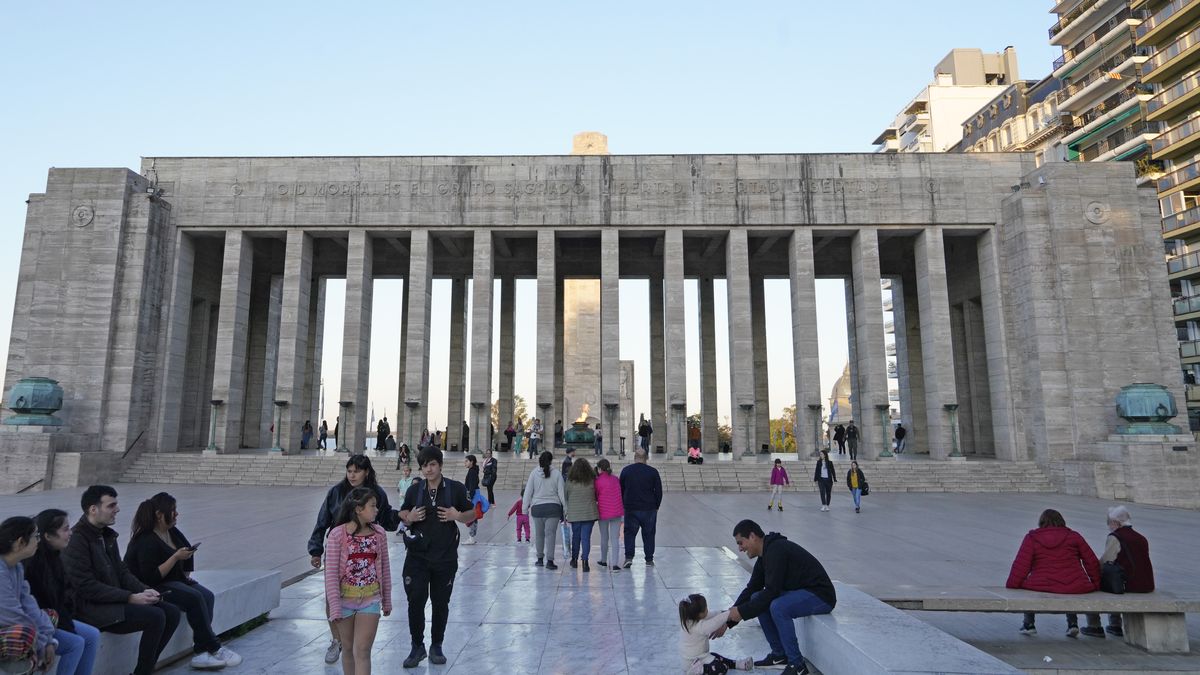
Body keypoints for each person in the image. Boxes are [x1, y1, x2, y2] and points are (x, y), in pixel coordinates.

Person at [63, 486, 181, 675]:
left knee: (172, 612)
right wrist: (130, 598)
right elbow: (85, 587)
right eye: (111, 505)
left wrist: (145, 590)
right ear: (93, 509)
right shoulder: (77, 540)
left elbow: (122, 571)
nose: (117, 509)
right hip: (89, 608)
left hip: (113, 601)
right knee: (156, 617)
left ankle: (145, 669)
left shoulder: (106, 535)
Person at [123, 492, 240, 670]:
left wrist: (186, 574)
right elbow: (150, 577)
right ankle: (214, 646)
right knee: (193, 597)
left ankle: (202, 652)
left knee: (206, 595)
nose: (176, 514)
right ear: (159, 515)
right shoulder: (145, 540)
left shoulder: (171, 531)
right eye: (173, 510)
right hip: (151, 586)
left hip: (173, 580)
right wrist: (176, 557)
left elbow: (185, 549)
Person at [308, 456, 401, 665]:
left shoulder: (377, 495)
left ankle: (345, 640)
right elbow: (322, 521)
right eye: (349, 471)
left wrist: (401, 517)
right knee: (332, 597)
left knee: (361, 650)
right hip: (339, 553)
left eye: (356, 471)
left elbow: (386, 519)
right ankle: (336, 639)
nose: (352, 475)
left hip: (367, 572)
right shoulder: (336, 492)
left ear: (366, 472)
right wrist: (315, 550)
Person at [720, 520, 836, 675]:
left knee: (778, 606)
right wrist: (728, 620)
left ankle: (797, 665)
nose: (740, 548)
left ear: (753, 536)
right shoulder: (765, 554)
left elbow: (772, 591)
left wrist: (740, 612)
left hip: (821, 595)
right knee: (756, 597)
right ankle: (779, 655)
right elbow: (752, 588)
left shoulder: (776, 550)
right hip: (803, 592)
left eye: (741, 543)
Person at [398, 447, 475, 668]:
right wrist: (410, 517)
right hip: (417, 558)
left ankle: (437, 645)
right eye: (424, 465)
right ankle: (416, 646)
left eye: (432, 464)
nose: (428, 469)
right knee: (415, 602)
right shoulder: (415, 490)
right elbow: (402, 514)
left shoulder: (455, 489)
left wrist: (457, 515)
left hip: (445, 558)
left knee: (441, 603)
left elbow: (473, 513)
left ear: (440, 464)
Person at [324, 487, 392, 675]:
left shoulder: (379, 533)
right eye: (372, 506)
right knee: (347, 649)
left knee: (362, 650)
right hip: (345, 601)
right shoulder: (337, 535)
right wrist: (335, 606)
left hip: (370, 600)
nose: (376, 510)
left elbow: (384, 569)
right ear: (358, 509)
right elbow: (330, 575)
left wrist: (386, 599)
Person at [26, 509, 101, 675]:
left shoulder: (54, 558)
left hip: (53, 619)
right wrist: (50, 637)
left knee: (92, 635)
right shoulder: (32, 564)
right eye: (65, 529)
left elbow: (60, 601)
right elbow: (37, 606)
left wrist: (67, 624)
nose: (70, 533)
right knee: (75, 643)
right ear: (48, 536)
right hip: (38, 623)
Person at [1005, 508, 1099, 638]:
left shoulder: (1032, 538)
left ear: (1041, 522)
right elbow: (1091, 561)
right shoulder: (1074, 536)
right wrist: (1096, 583)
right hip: (1075, 584)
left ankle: (1029, 624)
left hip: (1043, 583)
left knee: (1027, 587)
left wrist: (1013, 584)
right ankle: (1072, 624)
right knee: (1069, 587)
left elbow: (1022, 564)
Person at [1081, 505, 1154, 638]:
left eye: (1109, 522)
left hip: (1127, 584)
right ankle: (1114, 625)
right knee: (1113, 580)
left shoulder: (1116, 537)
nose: (1108, 526)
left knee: (1093, 586)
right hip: (1146, 584)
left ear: (1116, 522)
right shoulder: (1141, 538)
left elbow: (1107, 561)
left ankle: (1095, 625)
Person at [0, 516, 60, 674]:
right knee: (25, 635)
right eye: (36, 536)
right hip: (5, 623)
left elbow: (29, 605)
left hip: (7, 625)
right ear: (20, 542)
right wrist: (40, 645)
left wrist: (49, 642)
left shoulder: (16, 567)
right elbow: (10, 614)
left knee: (50, 616)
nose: (38, 541)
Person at [678, 593, 754, 674]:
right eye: (705, 608)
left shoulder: (691, 618)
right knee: (722, 668)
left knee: (716, 656)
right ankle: (696, 671)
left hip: (701, 657)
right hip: (692, 662)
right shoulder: (697, 627)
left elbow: (712, 614)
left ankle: (738, 664)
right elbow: (714, 623)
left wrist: (726, 611)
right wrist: (728, 614)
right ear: (698, 614)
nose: (707, 610)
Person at [522, 451, 567, 570]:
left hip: (537, 508)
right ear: (551, 460)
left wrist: (524, 509)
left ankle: (540, 559)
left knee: (539, 535)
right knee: (550, 535)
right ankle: (550, 561)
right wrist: (566, 510)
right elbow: (562, 493)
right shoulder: (557, 474)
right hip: (553, 508)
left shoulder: (534, 473)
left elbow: (528, 492)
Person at [619, 449, 663, 568]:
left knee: (629, 533)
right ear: (646, 458)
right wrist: (657, 505)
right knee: (649, 533)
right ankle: (649, 559)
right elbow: (658, 491)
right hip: (649, 508)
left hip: (631, 507)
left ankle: (629, 557)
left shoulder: (626, 471)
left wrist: (624, 503)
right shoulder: (653, 472)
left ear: (635, 457)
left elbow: (621, 489)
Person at [564, 458, 599, 572]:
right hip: (589, 514)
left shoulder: (569, 481)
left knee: (576, 537)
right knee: (586, 538)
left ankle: (574, 560)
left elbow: (566, 496)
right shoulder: (592, 480)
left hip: (574, 514)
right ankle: (585, 562)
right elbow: (596, 494)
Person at [594, 458, 623, 572]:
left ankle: (603, 560)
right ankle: (615, 564)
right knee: (615, 538)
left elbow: (596, 495)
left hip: (603, 512)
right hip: (616, 511)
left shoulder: (597, 481)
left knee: (604, 537)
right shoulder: (616, 479)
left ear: (600, 469)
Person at [462, 455, 481, 545]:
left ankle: (471, 538)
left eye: (466, 461)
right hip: (474, 495)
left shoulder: (472, 472)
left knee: (472, 517)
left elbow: (472, 486)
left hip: (472, 496)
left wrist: (469, 498)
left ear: (471, 462)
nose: (465, 463)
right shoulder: (473, 470)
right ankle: (472, 537)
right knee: (473, 517)